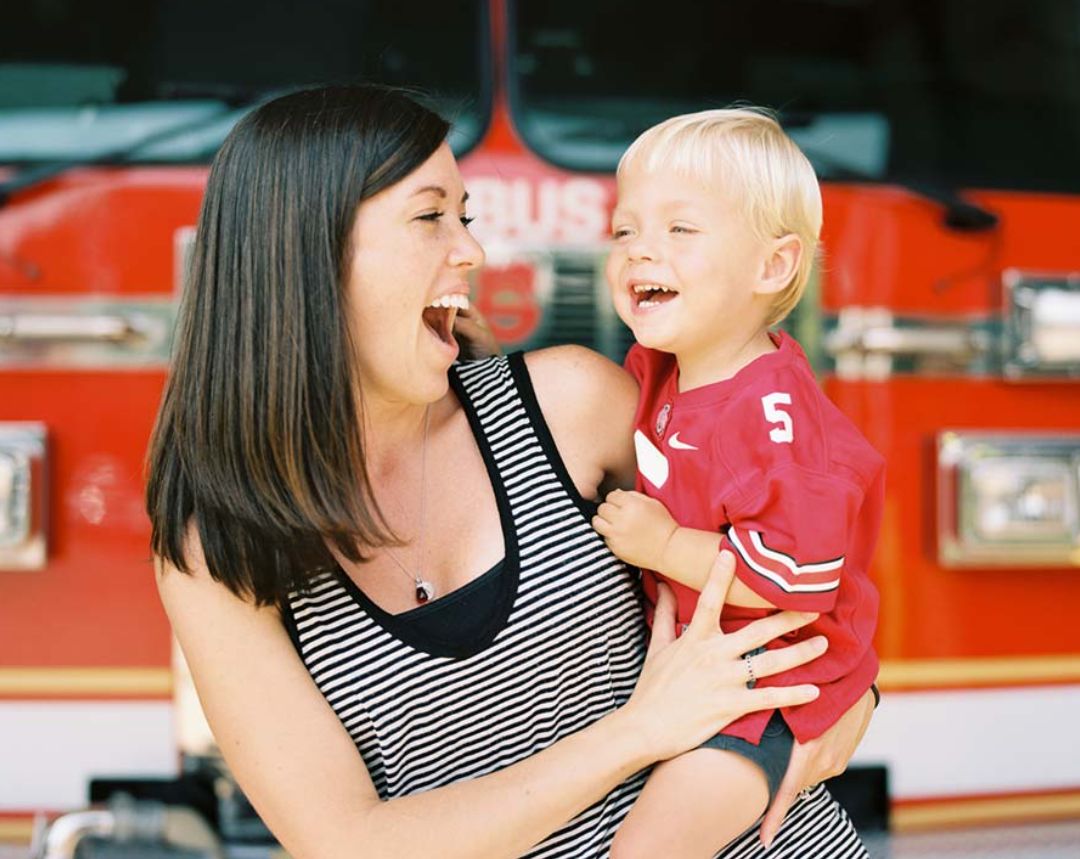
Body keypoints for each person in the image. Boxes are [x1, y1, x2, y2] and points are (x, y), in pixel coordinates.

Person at [147, 85, 876, 859]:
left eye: (466, 219)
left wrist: (856, 696)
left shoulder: (572, 404)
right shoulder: (213, 551)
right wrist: (638, 732)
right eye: (431, 218)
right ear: (299, 251)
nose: (472, 252)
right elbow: (349, 844)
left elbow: (801, 553)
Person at [592, 109, 884, 857]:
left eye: (680, 231)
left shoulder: (778, 419)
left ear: (772, 267)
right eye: (625, 232)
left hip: (773, 689)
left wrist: (661, 544)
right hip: (710, 670)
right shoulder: (661, 371)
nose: (639, 252)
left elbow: (796, 577)